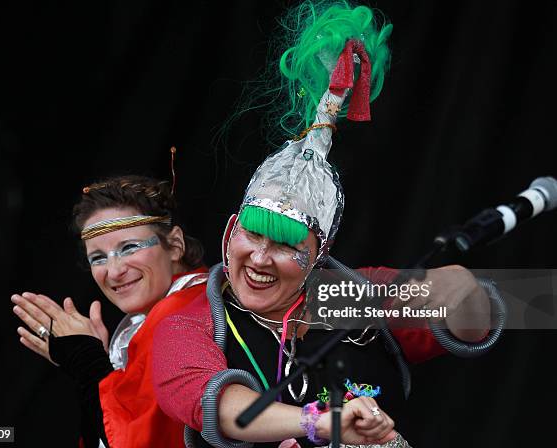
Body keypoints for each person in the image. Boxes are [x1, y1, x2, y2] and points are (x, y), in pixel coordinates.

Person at [147, 2, 501, 447]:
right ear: (230, 229)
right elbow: (219, 407)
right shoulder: (192, 323)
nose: (259, 257)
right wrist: (321, 424)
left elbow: (515, 307)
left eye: (285, 245)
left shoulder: (346, 299)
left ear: (320, 255)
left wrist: (460, 294)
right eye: (252, 234)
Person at [11, 174, 207, 448]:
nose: (114, 272)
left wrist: (89, 364)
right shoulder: (187, 302)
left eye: (129, 248)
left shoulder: (178, 316)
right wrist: (99, 367)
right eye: (98, 258)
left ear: (174, 245)